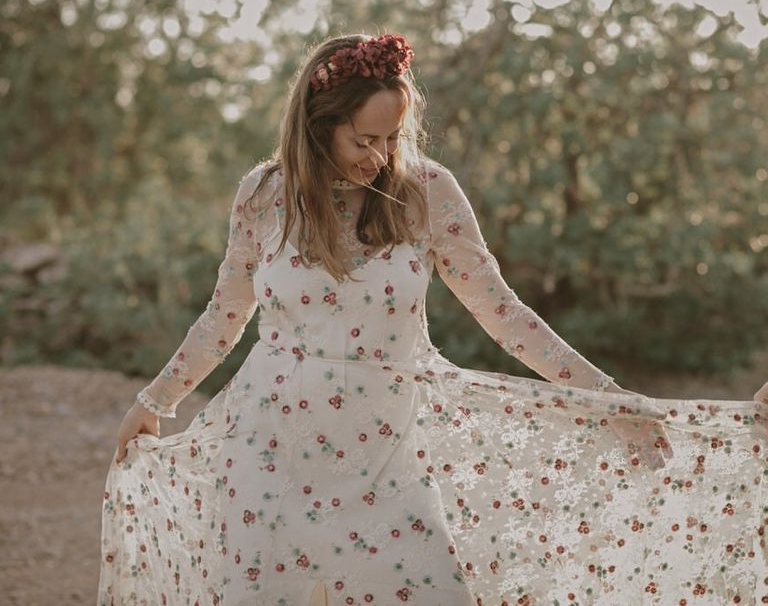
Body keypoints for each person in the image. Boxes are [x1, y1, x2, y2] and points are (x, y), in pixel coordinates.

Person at [98, 33, 768, 606]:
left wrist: (608, 398)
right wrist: (156, 399)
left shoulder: (427, 193)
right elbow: (226, 312)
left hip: (386, 456)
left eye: (392, 137)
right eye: (364, 138)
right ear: (316, 123)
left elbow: (504, 314)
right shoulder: (264, 195)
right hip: (268, 456)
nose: (379, 154)